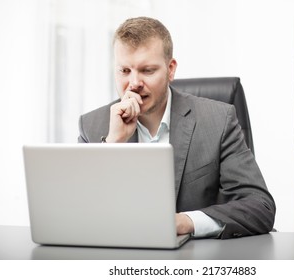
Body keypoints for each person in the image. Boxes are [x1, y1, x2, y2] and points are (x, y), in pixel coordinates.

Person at [78, 16, 276, 239]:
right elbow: (78, 214)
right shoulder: (92, 126)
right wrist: (113, 145)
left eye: (147, 70)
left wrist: (186, 222)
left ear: (170, 69)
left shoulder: (218, 120)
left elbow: (260, 206)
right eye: (124, 71)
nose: (133, 83)